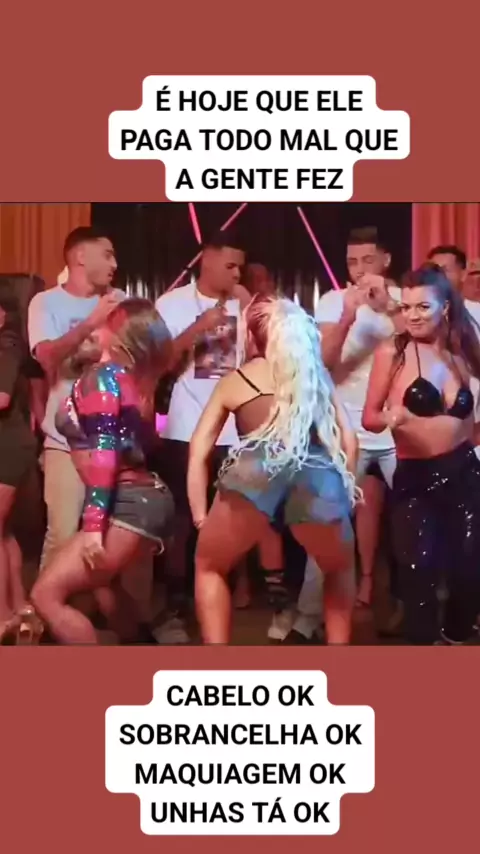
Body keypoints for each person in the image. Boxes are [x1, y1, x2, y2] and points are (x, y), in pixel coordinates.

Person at [188, 295, 361, 645]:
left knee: (209, 566)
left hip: (254, 472)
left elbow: (198, 449)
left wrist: (200, 516)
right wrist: (344, 498)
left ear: (252, 336)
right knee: (339, 569)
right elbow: (350, 440)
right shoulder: (315, 376)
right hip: (316, 474)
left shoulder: (237, 379)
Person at [30, 298, 174, 644]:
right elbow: (143, 444)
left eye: (104, 323)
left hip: (128, 502)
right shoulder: (128, 381)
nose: (94, 328)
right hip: (141, 498)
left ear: (119, 333)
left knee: (45, 596)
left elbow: (106, 455)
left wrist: (94, 528)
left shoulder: (103, 379)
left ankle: (102, 674)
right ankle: (141, 651)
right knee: (103, 586)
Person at [285, 227, 402, 647]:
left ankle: (429, 616)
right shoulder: (334, 302)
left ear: (385, 261)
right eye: (352, 262)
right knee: (327, 522)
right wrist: (349, 316)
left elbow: (423, 345)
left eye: (367, 260)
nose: (358, 270)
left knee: (417, 523)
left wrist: (388, 308)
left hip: (398, 430)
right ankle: (307, 618)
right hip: (344, 430)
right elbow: (324, 363)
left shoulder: (405, 300)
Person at [363, 263, 480, 645]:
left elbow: (468, 421)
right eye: (407, 307)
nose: (412, 315)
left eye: (423, 307)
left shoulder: (462, 350)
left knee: (470, 571)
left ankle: (455, 638)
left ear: (444, 307)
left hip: (464, 472)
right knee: (418, 572)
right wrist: (393, 417)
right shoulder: (393, 352)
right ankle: (423, 655)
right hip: (417, 478)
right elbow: (370, 418)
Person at [153, 233, 246, 643]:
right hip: (184, 428)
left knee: (230, 516)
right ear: (207, 262)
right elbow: (157, 361)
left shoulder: (245, 304)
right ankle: (175, 599)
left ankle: (221, 590)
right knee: (181, 518)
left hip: (234, 430)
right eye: (230, 266)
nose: (237, 273)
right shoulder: (172, 304)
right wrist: (199, 327)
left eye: (240, 266)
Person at [28, 227, 124, 570]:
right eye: (107, 254)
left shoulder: (121, 300)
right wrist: (92, 322)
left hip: (113, 437)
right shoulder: (46, 302)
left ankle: (96, 603)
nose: (114, 264)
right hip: (64, 439)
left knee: (110, 536)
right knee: (63, 534)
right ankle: (46, 602)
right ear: (81, 256)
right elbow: (46, 358)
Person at [0, 294, 39, 641]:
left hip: (9, 447)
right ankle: (19, 607)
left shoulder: (8, 346)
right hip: (10, 444)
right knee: (4, 532)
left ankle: (3, 616)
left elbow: (1, 399)